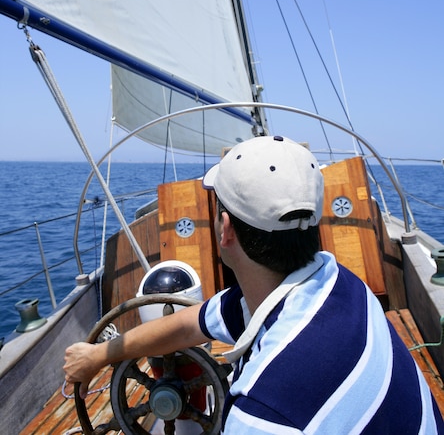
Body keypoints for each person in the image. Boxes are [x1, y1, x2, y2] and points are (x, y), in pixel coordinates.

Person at [64, 135, 444, 433]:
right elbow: (189, 323)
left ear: (225, 229)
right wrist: (99, 356)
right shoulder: (341, 284)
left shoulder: (263, 415)